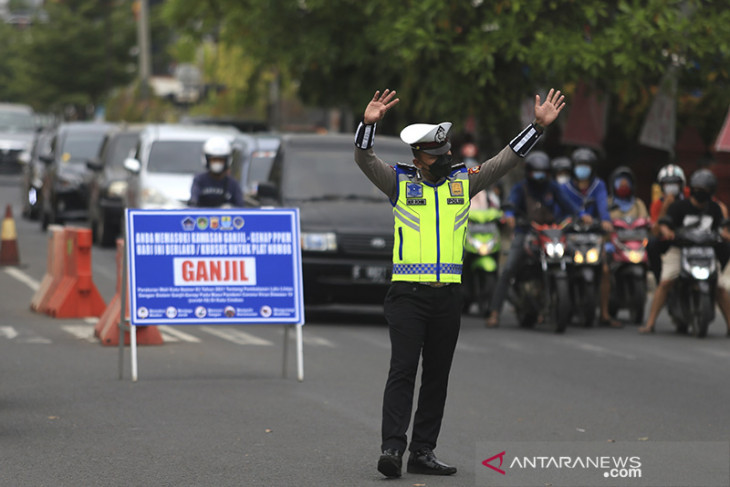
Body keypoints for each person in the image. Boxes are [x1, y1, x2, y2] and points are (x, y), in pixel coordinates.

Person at [354, 88, 565, 478]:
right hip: (407, 296)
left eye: (447, 153)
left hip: (447, 297)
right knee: (402, 371)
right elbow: (363, 158)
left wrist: (536, 127)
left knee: (437, 375)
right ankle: (392, 449)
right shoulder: (399, 182)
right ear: (419, 157)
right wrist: (368, 126)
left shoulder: (462, 184)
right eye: (436, 156)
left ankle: (423, 451)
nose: (445, 159)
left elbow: (505, 160)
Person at [484, 150, 581, 328]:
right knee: (509, 268)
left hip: (551, 234)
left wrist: (581, 216)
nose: (540, 175)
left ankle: (573, 308)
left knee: (576, 260)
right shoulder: (521, 188)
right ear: (529, 172)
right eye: (537, 171)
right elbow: (511, 204)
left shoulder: (553, 187)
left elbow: (570, 206)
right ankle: (494, 312)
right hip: (526, 232)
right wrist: (510, 215)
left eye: (543, 172)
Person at [639, 169, 730, 334]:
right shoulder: (679, 207)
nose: (700, 193)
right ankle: (650, 323)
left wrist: (724, 234)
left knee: (720, 287)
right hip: (679, 249)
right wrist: (666, 230)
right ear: (691, 189)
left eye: (705, 191)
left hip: (705, 251)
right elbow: (664, 223)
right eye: (698, 189)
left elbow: (722, 228)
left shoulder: (715, 209)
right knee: (666, 282)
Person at [599, 166, 649, 327]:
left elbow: (645, 219)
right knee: (604, 267)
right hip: (612, 244)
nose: (623, 185)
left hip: (633, 243)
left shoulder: (638, 204)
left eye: (626, 182)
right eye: (620, 182)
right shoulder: (607, 203)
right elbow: (603, 221)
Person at [647, 164, 686, 283]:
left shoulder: (689, 198)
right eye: (667, 184)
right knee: (651, 244)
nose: (671, 187)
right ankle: (659, 280)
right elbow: (654, 232)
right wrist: (665, 207)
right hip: (667, 240)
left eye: (674, 183)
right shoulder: (657, 204)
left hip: (686, 238)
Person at [189, 136, 245, 208]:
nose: (217, 163)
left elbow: (240, 208)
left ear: (227, 161)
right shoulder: (199, 180)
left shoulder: (233, 183)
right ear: (206, 160)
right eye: (214, 160)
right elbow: (193, 202)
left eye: (220, 160)